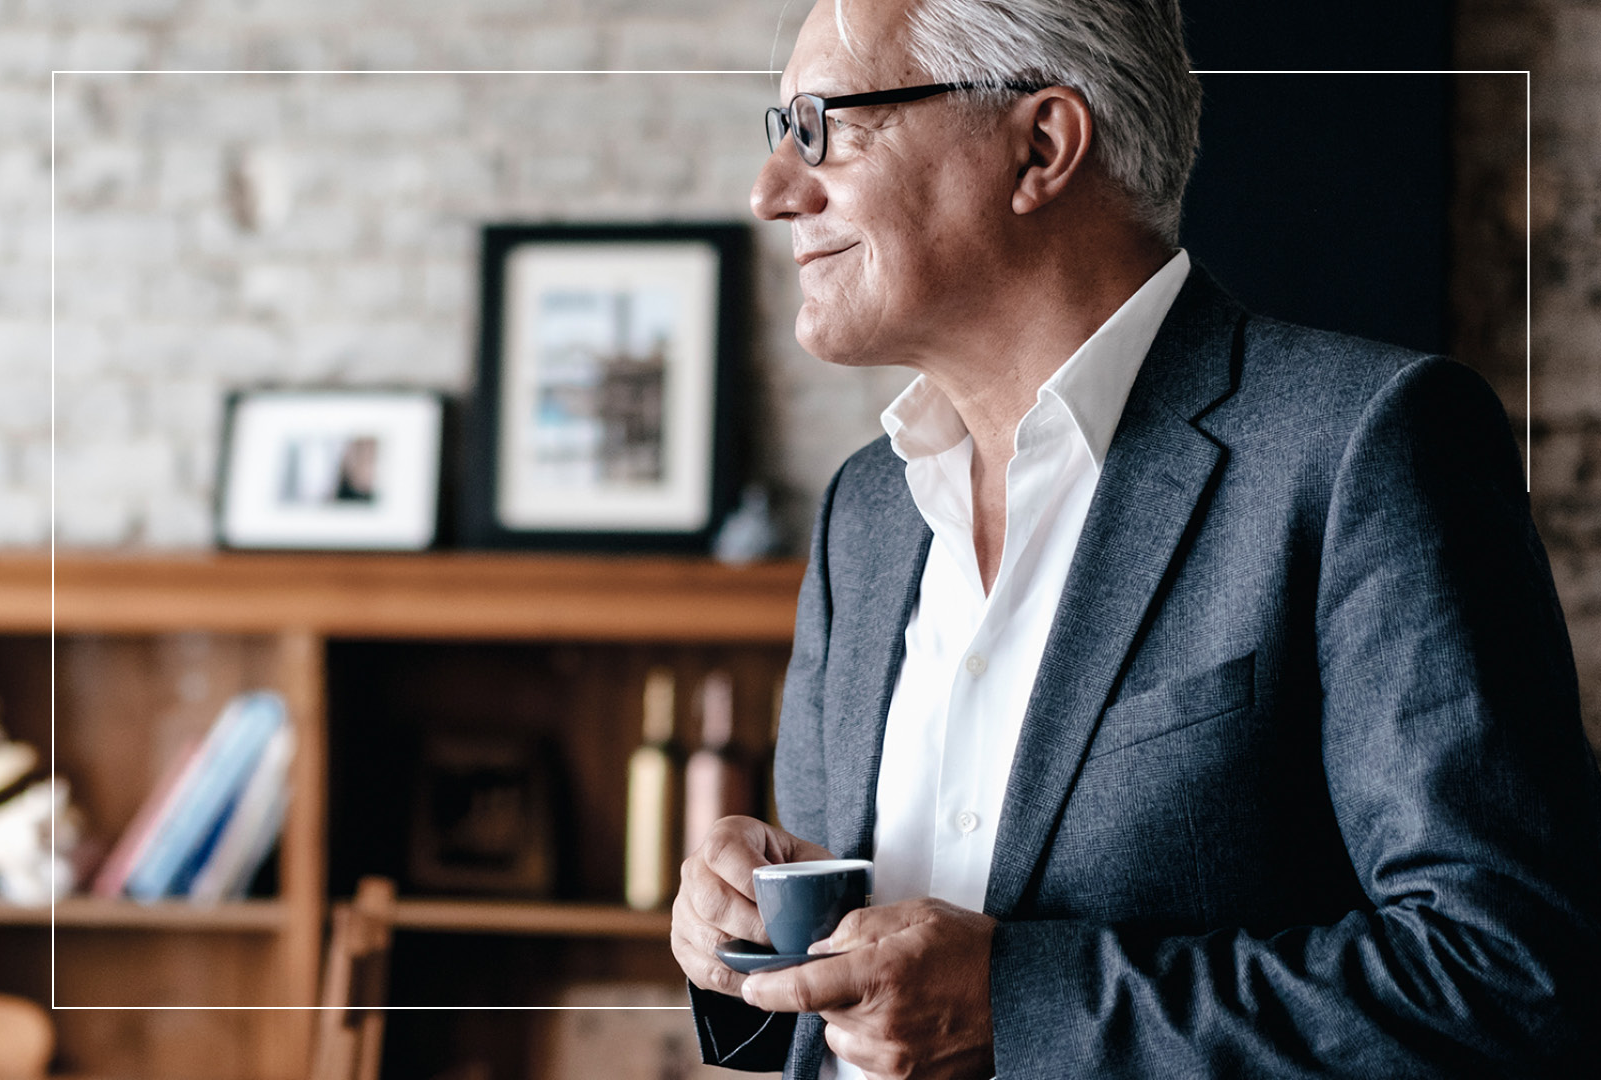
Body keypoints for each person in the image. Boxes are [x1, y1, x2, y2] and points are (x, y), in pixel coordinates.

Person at [669, 0, 1601, 1076]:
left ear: (1043, 146)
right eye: (776, 130)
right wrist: (738, 937)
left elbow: (1511, 979)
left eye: (824, 125)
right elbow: (855, 1008)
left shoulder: (1365, 449)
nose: (772, 189)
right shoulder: (865, 515)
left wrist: (1016, 1004)